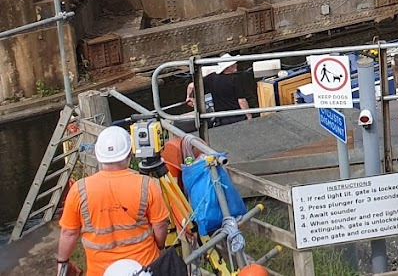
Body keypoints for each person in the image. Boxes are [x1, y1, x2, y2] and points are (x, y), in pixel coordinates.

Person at [57, 128, 169, 276]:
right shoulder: (146, 185)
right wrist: (159, 246)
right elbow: (160, 224)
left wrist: (62, 261)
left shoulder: (79, 189)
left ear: (98, 155)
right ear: (130, 153)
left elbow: (69, 232)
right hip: (145, 267)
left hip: (100, 271)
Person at [185, 58, 252, 128]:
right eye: (234, 64)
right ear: (228, 67)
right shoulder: (235, 79)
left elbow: (191, 86)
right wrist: (249, 116)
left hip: (221, 118)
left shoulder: (212, 77)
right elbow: (241, 100)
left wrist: (189, 97)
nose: (236, 65)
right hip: (237, 117)